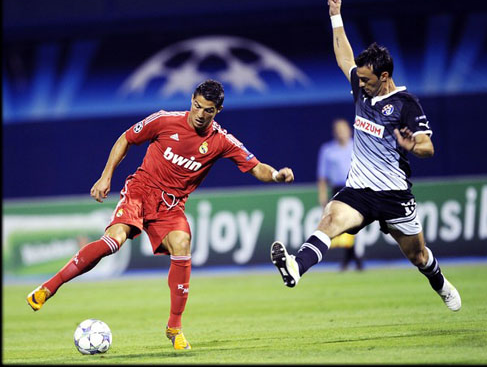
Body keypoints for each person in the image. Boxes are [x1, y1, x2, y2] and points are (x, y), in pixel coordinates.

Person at [27, 79, 295, 350]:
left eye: (208, 110)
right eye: (197, 106)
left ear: (219, 111)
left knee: (182, 243)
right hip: (140, 192)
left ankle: (174, 328)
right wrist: (106, 176)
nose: (200, 114)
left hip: (172, 206)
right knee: (113, 241)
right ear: (191, 99)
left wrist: (275, 175)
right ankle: (48, 288)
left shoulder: (221, 141)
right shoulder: (165, 120)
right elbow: (126, 138)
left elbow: (254, 166)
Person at [270, 0, 461, 311]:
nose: (359, 82)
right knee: (330, 219)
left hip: (394, 195)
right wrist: (336, 17)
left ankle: (440, 283)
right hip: (359, 189)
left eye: (366, 79)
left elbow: (429, 146)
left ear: (384, 77)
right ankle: (295, 267)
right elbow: (344, 57)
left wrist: (414, 145)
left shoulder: (406, 105)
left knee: (418, 256)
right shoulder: (362, 85)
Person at [317, 118, 363, 271]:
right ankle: (353, 258)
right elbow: (322, 177)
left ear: (349, 130)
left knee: (352, 224)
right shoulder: (327, 150)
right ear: (334, 133)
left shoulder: (358, 146)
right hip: (338, 190)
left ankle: (351, 258)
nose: (341, 133)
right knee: (342, 224)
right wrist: (322, 196)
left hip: (356, 187)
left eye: (343, 129)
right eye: (338, 130)